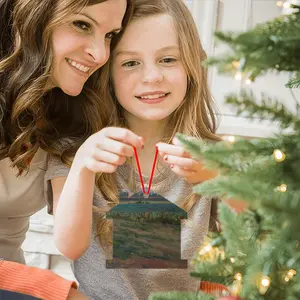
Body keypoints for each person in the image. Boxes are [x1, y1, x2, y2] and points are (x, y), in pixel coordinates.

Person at [45, 0, 224, 299]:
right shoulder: (76, 150)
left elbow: (252, 236)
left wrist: (218, 178)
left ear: (192, 64)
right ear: (108, 76)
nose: (152, 76)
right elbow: (69, 246)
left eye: (168, 59)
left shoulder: (210, 155)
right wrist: (83, 168)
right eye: (130, 63)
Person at [0, 0, 132, 298]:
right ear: (32, 14)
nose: (100, 54)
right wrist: (58, 292)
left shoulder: (71, 116)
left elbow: (144, 267)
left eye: (110, 35)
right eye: (82, 25)